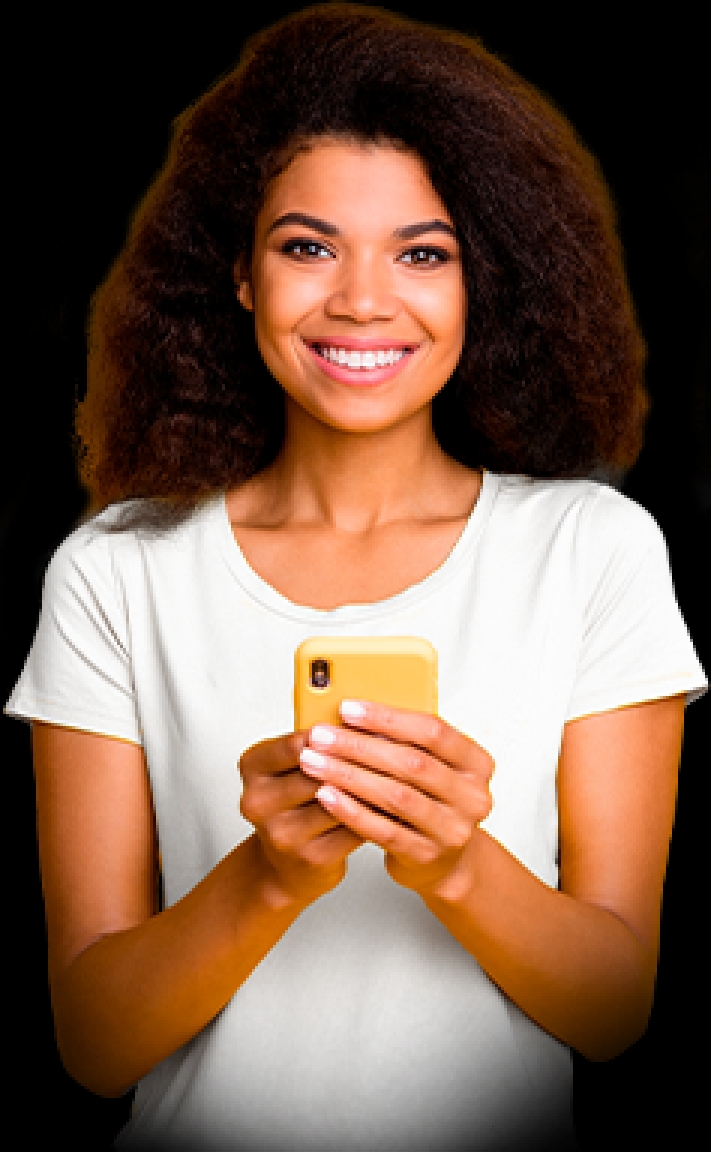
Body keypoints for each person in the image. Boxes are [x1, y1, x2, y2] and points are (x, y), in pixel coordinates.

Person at [5, 5, 707, 1150]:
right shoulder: (116, 572)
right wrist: (269, 877)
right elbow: (92, 1043)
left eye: (423, 252)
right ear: (238, 272)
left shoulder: (592, 553)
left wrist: (456, 866)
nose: (363, 300)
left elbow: (616, 1010)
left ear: (491, 280)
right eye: (307, 245)